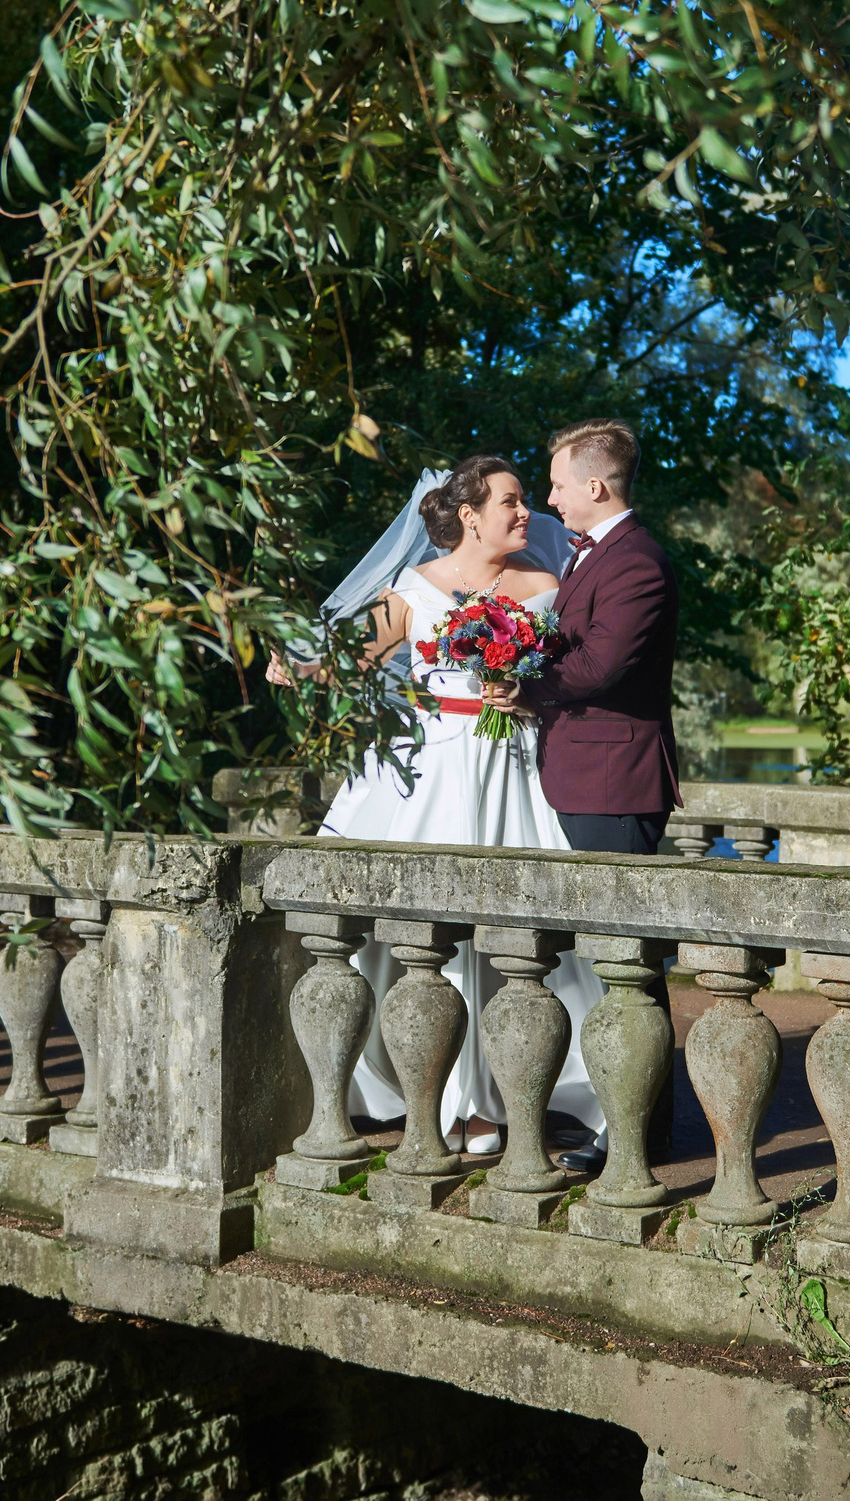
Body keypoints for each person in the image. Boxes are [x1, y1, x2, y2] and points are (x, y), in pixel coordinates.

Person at [284, 455, 606, 1156]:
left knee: (514, 931)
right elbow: (351, 659)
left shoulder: (546, 586)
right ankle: (435, 1094)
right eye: (512, 502)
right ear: (469, 515)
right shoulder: (414, 588)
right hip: (432, 763)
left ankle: (495, 1100)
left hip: (511, 762)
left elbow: (569, 677)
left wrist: (523, 690)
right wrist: (301, 667)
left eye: (525, 501)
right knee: (427, 931)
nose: (528, 514)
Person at [483, 417, 679, 1173]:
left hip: (614, 780)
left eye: (560, 482)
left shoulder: (639, 563)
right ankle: (625, 1122)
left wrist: (520, 684)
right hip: (582, 775)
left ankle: (636, 1135)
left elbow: (601, 668)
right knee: (609, 962)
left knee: (625, 963)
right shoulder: (596, 555)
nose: (553, 498)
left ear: (597, 485)